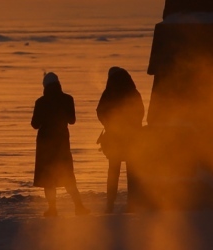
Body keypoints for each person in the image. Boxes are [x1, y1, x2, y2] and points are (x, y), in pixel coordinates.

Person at [31, 72, 87, 216]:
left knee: (48, 178)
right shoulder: (68, 99)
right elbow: (72, 120)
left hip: (45, 144)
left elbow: (35, 124)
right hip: (62, 142)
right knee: (67, 175)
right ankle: (79, 206)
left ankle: (52, 209)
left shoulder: (41, 102)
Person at [95, 66, 145, 214]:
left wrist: (109, 124)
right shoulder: (133, 92)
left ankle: (110, 205)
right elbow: (140, 112)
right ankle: (132, 204)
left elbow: (100, 111)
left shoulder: (109, 93)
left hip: (114, 138)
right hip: (132, 138)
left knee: (113, 171)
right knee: (132, 172)